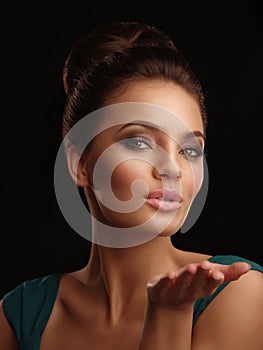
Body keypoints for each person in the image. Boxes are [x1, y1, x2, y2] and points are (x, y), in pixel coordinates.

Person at [1, 21, 263, 350]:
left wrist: (169, 314)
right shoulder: (20, 315)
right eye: (139, 142)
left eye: (190, 150)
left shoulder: (235, 290)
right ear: (80, 163)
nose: (172, 169)